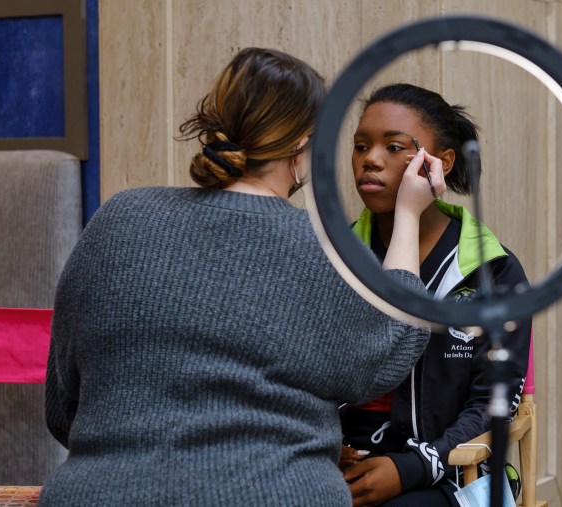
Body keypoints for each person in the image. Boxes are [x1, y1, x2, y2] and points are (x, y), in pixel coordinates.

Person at [39, 49, 445, 506]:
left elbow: (62, 407)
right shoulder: (325, 246)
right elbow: (392, 347)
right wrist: (410, 214)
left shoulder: (119, 217)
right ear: (301, 144)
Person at [339, 83, 532, 506]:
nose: (370, 159)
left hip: (457, 471)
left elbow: (492, 403)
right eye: (360, 145)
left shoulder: (493, 270)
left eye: (393, 147)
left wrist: (412, 466)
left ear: (439, 164)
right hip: (344, 467)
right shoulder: (337, 259)